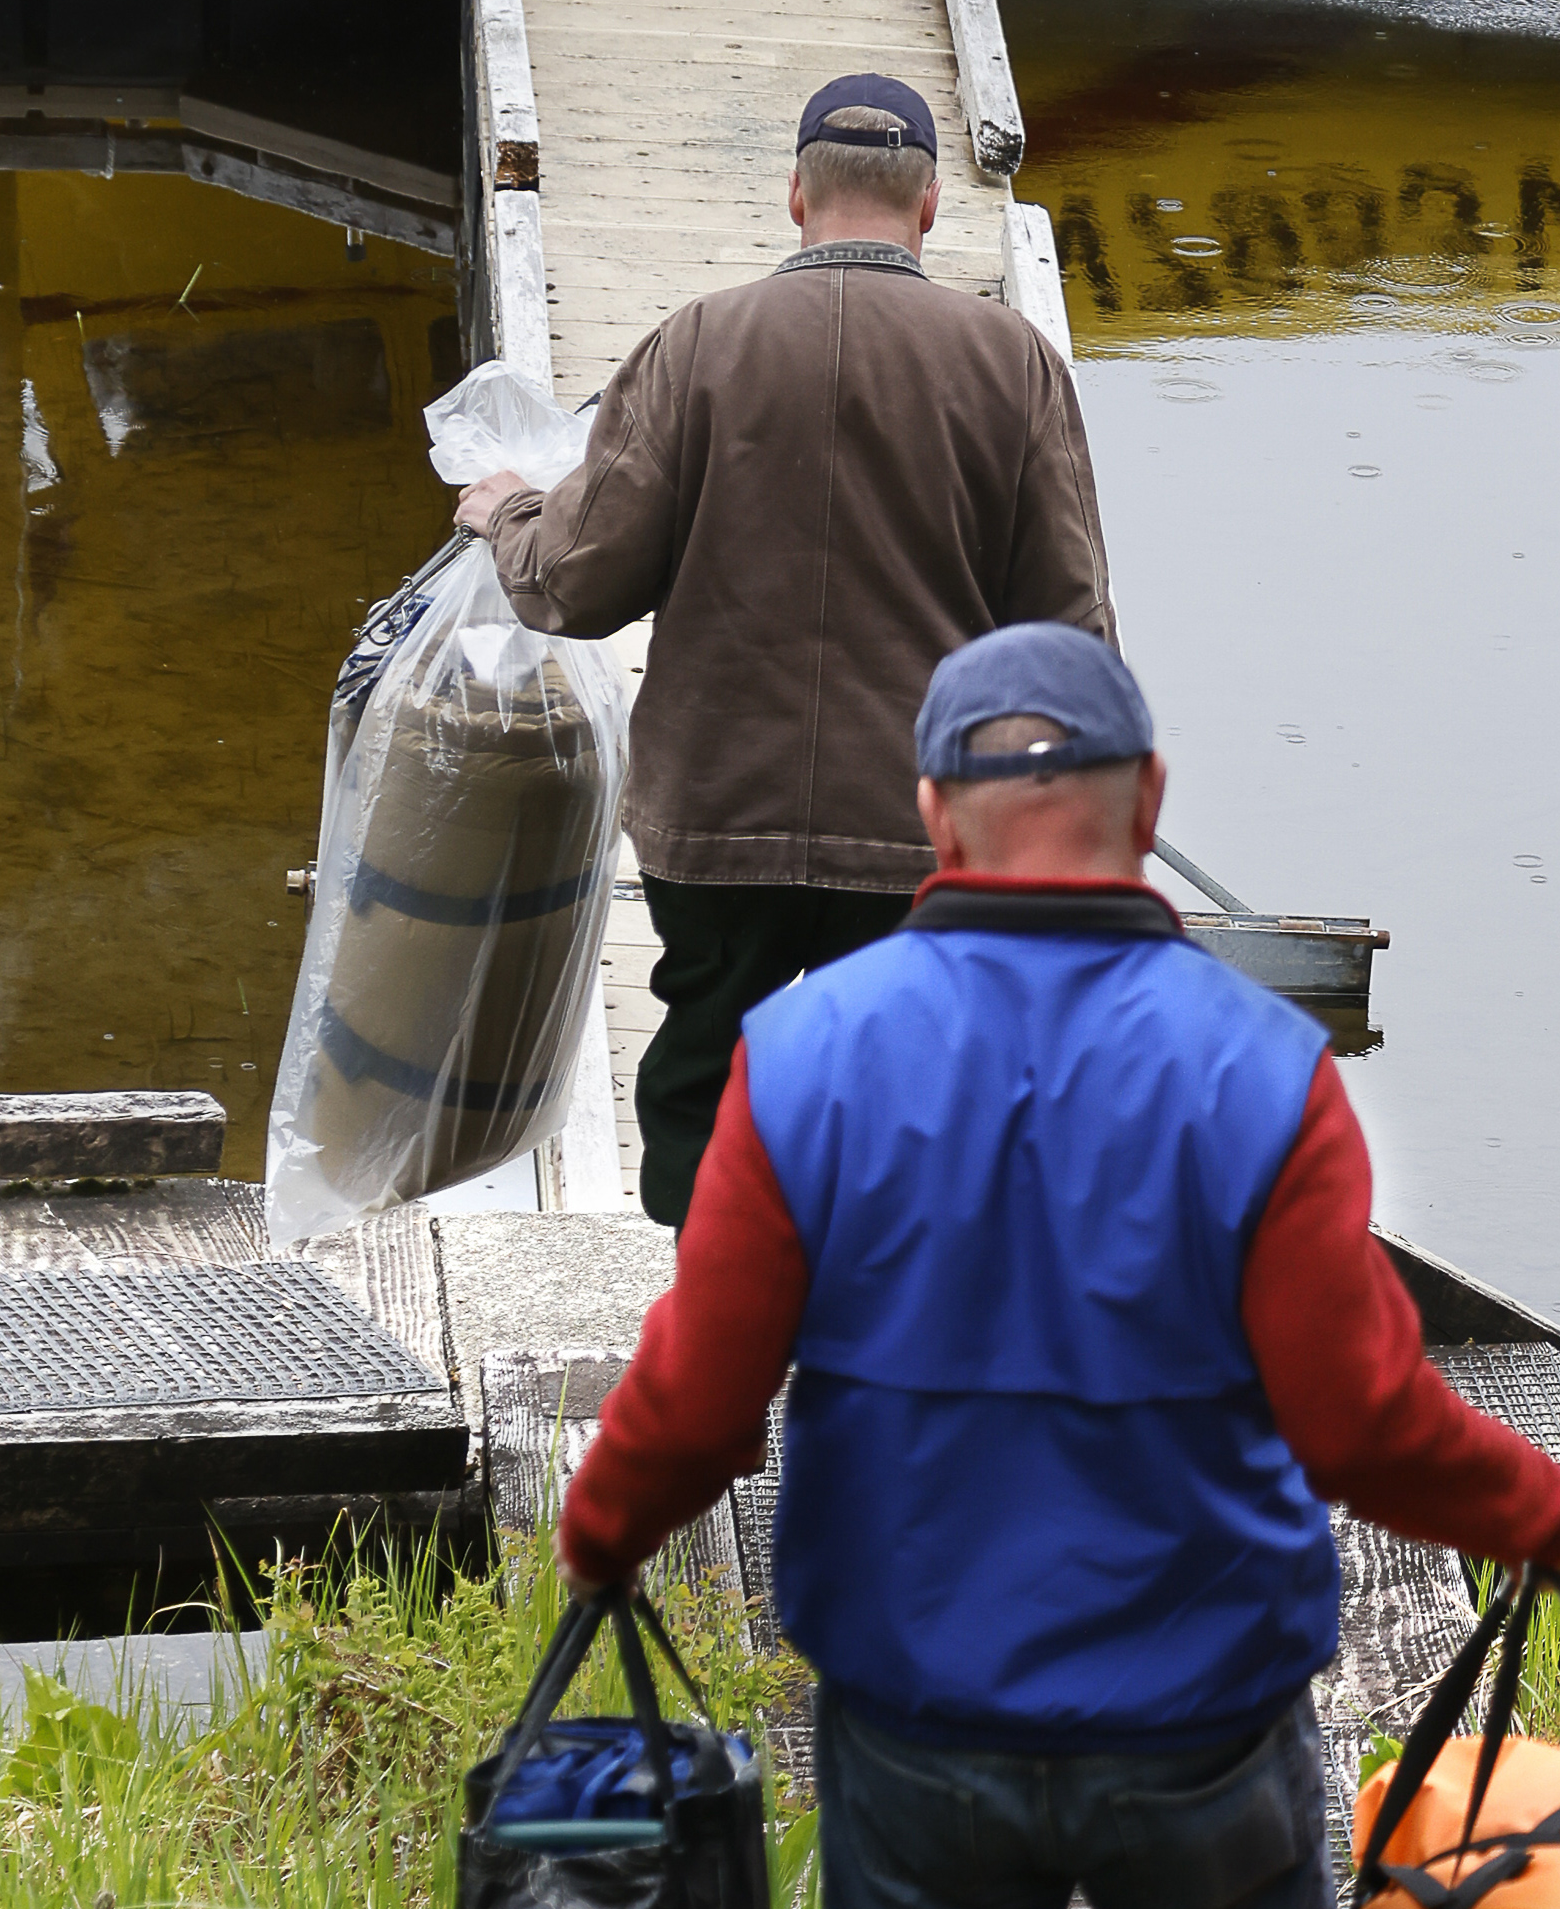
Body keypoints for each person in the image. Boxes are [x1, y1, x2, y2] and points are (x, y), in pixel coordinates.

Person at [553, 622, 1560, 1909]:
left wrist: (602, 1530)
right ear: (1151, 809)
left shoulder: (810, 1049)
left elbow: (702, 1389)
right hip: (1196, 1719)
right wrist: (1527, 1505)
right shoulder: (1259, 1070)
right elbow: (1362, 1418)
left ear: (930, 815)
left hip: (916, 1714)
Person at [455, 69, 1111, 1226]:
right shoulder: (1012, 364)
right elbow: (1068, 641)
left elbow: (576, 584)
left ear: (795, 197)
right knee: (916, 1101)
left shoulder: (696, 345)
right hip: (921, 828)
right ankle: (881, 1356)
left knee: (707, 1080)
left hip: (717, 815)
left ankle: (718, 1345)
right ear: (928, 209)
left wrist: (505, 510)